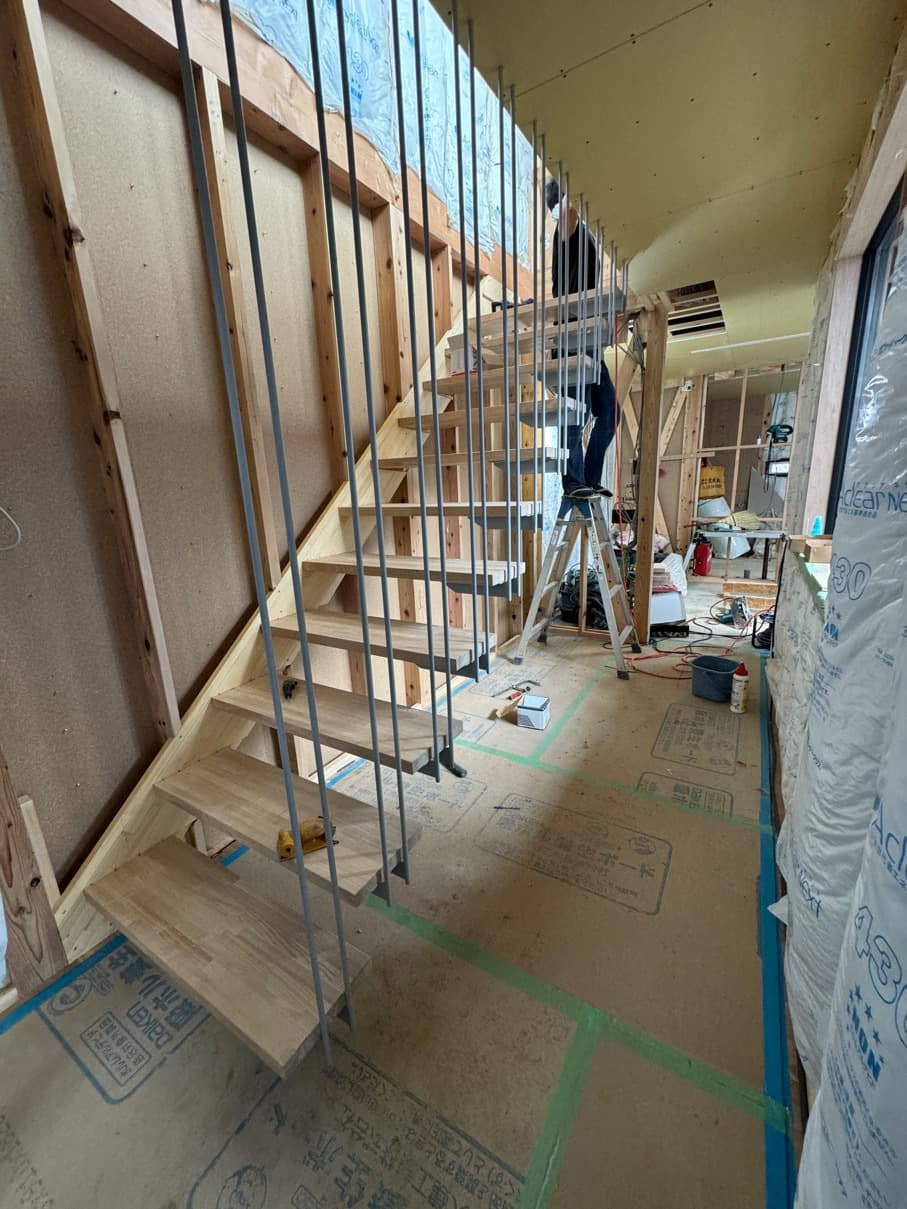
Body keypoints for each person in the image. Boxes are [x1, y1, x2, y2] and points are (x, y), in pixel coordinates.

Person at [546, 179, 619, 501]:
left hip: (590, 346)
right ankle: (573, 481)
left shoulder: (585, 234)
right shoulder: (568, 232)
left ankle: (589, 477)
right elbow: (566, 211)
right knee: (575, 414)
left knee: (610, 414)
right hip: (570, 342)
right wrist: (577, 174)